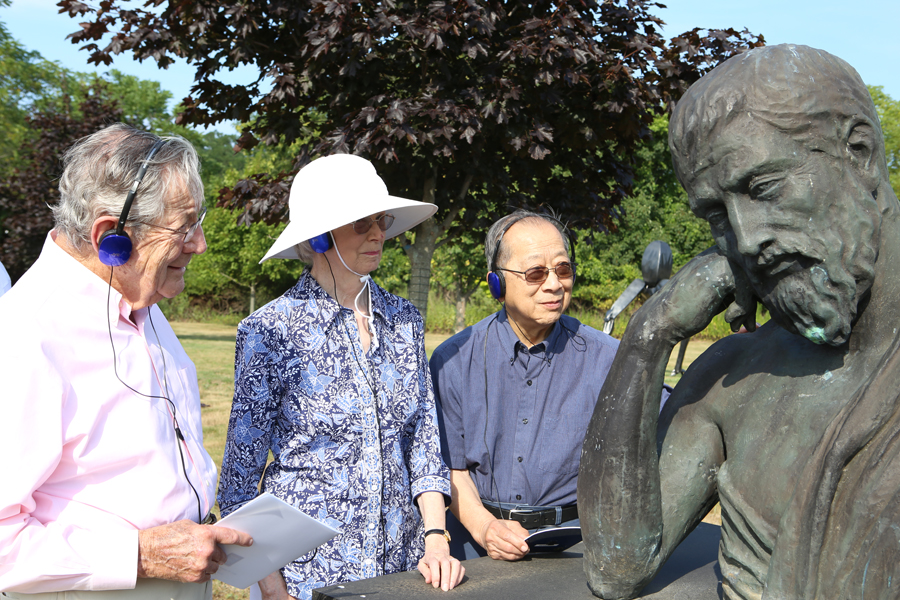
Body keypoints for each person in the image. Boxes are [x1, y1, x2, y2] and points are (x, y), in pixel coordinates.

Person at [579, 44, 900, 600]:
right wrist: (648, 338)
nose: (747, 240)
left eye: (763, 188)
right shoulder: (733, 377)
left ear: (861, 154)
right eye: (716, 215)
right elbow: (617, 567)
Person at [0, 123, 252, 598]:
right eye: (184, 228)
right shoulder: (23, 338)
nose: (199, 245)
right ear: (110, 236)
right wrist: (139, 554)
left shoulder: (139, 297)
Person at [217, 154, 464, 600]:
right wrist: (273, 592)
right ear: (318, 238)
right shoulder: (269, 332)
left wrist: (436, 539)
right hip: (303, 579)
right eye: (360, 223)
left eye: (382, 220)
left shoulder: (404, 320)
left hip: (402, 571)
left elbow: (424, 443)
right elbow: (238, 486)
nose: (378, 234)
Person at [430, 210, 623, 561]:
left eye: (563, 270)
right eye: (536, 273)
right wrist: (486, 528)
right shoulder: (452, 360)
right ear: (496, 283)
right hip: (474, 547)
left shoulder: (611, 359)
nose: (554, 284)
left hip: (576, 549)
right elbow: (449, 468)